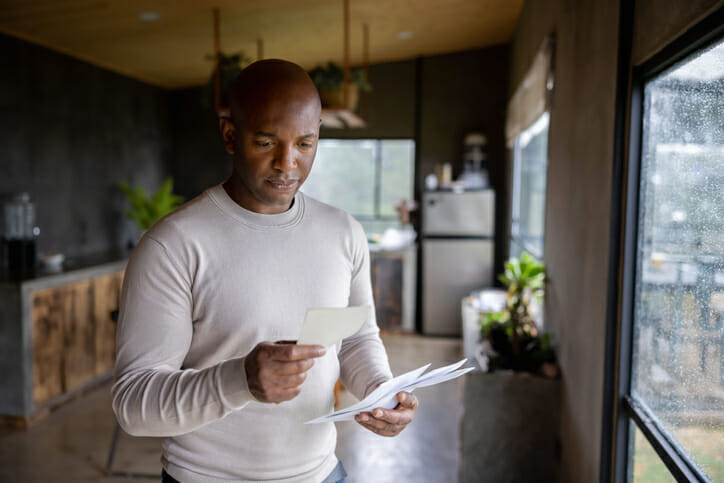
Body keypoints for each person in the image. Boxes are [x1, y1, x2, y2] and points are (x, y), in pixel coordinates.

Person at [112, 59, 418, 483]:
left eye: (305, 144)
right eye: (266, 142)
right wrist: (240, 380)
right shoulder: (173, 245)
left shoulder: (343, 232)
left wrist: (380, 391)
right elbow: (134, 405)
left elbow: (355, 337)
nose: (287, 163)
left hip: (323, 475)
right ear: (230, 135)